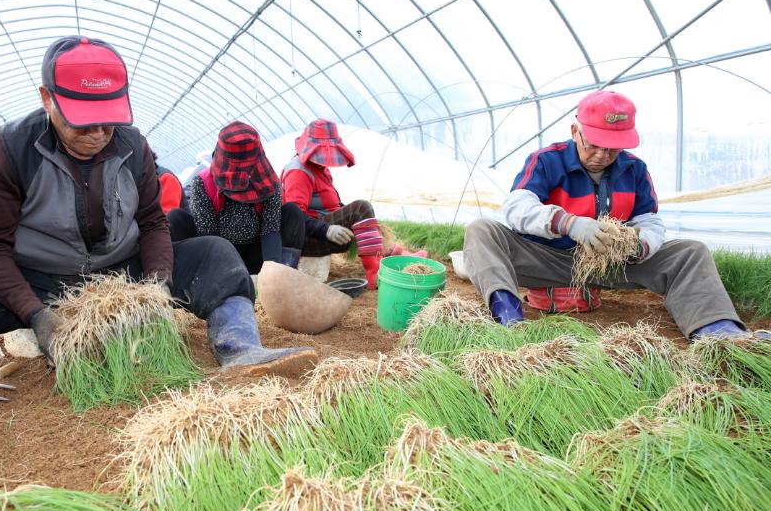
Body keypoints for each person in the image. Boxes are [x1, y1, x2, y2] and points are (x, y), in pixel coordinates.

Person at [0, 35, 317, 488]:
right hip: (34, 281)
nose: (96, 136)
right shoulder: (10, 148)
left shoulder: (134, 146)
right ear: (47, 99)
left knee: (213, 251)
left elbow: (154, 221)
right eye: (82, 124)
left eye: (107, 123)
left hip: (120, 276)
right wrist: (36, 314)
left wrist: (153, 287)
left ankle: (240, 350)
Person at [463, 89, 747, 339]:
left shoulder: (635, 169)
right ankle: (508, 316)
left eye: (612, 147)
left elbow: (649, 221)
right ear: (575, 132)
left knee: (690, 252)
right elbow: (516, 208)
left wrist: (639, 245)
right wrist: (568, 223)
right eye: (594, 144)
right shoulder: (547, 161)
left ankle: (716, 329)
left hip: (610, 263)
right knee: (482, 231)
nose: (602, 154)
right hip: (547, 260)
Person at [281, 119, 423, 290]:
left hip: (322, 231)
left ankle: (399, 257)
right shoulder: (298, 171)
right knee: (361, 208)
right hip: (309, 240)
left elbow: (329, 206)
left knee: (365, 221)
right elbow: (293, 219)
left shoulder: (318, 167)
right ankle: (374, 274)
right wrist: (327, 229)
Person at [168, 121, 306, 271]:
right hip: (217, 252)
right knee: (175, 218)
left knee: (292, 212)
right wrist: (230, 276)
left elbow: (270, 229)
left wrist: (271, 272)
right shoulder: (202, 183)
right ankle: (189, 282)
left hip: (256, 251)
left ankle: (285, 275)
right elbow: (209, 237)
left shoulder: (268, 180)